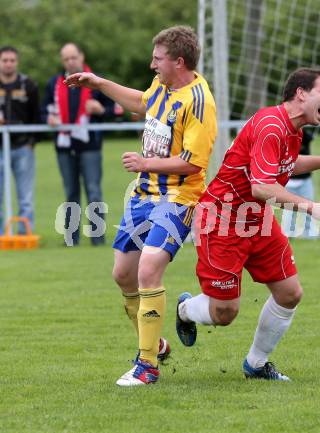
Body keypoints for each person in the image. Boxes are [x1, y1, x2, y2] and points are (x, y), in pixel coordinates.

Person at [176, 67, 320, 381]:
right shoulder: (270, 126)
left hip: (257, 219)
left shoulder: (292, 129)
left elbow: (286, 165)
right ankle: (185, 309)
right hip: (222, 220)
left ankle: (256, 364)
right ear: (301, 93)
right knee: (225, 314)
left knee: (290, 293)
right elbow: (262, 186)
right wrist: (311, 207)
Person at [64, 26, 217, 386]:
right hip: (143, 197)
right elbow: (141, 103)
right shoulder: (164, 86)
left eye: (158, 59)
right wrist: (98, 83)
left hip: (179, 198)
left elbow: (193, 163)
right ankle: (156, 344)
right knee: (123, 275)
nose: (152, 65)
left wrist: (145, 164)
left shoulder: (199, 101)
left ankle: (146, 365)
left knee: (149, 269)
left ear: (179, 62)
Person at [42, 42, 117, 246]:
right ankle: (71, 239)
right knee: (71, 192)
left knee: (93, 190)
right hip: (64, 146)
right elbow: (43, 111)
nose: (70, 61)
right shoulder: (54, 83)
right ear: (62, 60)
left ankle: (97, 238)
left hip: (90, 145)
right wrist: (49, 120)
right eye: (66, 58)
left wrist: (101, 110)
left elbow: (117, 110)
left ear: (82, 57)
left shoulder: (96, 82)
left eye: (73, 57)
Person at [0, 46, 40, 234]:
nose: (8, 64)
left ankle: (25, 235)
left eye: (12, 60)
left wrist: (31, 143)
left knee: (25, 195)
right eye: (4, 60)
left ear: (17, 62)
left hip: (23, 147)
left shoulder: (28, 85)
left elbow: (36, 117)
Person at [281, 129, 318, 238]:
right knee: (289, 209)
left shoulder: (305, 135)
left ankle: (310, 234)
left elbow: (310, 137)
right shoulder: (283, 137)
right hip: (288, 180)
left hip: (305, 180)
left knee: (309, 207)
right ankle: (288, 234)